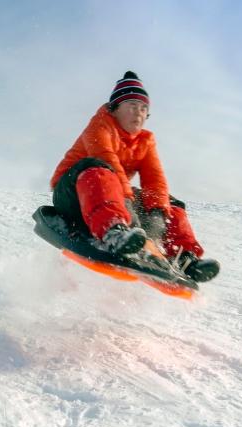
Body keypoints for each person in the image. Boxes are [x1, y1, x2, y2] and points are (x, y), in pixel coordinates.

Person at [49, 71, 219, 282]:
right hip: (72, 195)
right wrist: (128, 210)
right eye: (131, 106)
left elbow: (155, 180)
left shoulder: (145, 141)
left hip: (106, 197)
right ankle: (114, 232)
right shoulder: (99, 126)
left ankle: (182, 257)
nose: (138, 113)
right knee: (98, 166)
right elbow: (107, 160)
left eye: (143, 108)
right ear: (115, 108)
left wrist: (157, 216)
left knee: (168, 202)